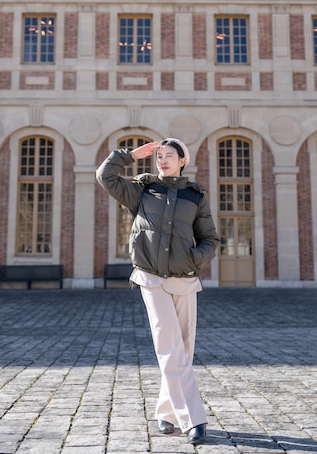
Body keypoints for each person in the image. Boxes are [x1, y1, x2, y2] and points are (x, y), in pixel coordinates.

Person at [96, 138, 219, 445]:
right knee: (168, 344)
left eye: (168, 156)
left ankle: (166, 413)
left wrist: (195, 258)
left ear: (182, 161)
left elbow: (210, 239)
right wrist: (130, 155)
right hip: (151, 278)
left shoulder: (195, 196)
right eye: (159, 156)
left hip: (184, 278)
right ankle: (194, 419)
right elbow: (105, 176)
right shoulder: (143, 190)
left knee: (182, 350)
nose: (162, 160)